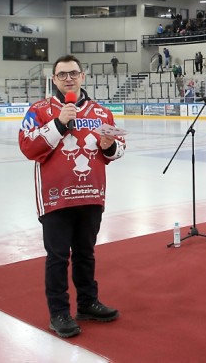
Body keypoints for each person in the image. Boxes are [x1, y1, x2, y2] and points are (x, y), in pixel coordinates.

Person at [18, 55, 126, 339]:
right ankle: (59, 312)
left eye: (73, 73)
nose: (69, 78)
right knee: (57, 256)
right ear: (54, 79)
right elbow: (27, 146)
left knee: (85, 253)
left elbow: (120, 150)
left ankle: (88, 303)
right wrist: (58, 123)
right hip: (56, 198)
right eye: (62, 74)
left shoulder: (102, 113)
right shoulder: (40, 110)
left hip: (91, 194)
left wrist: (110, 145)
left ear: (83, 76)